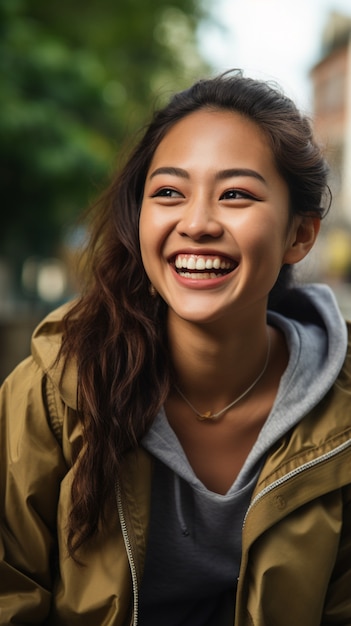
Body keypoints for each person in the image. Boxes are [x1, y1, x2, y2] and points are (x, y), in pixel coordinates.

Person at [0, 70, 350, 626]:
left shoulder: (342, 418)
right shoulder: (51, 391)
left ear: (299, 235)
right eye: (168, 193)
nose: (197, 223)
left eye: (235, 194)